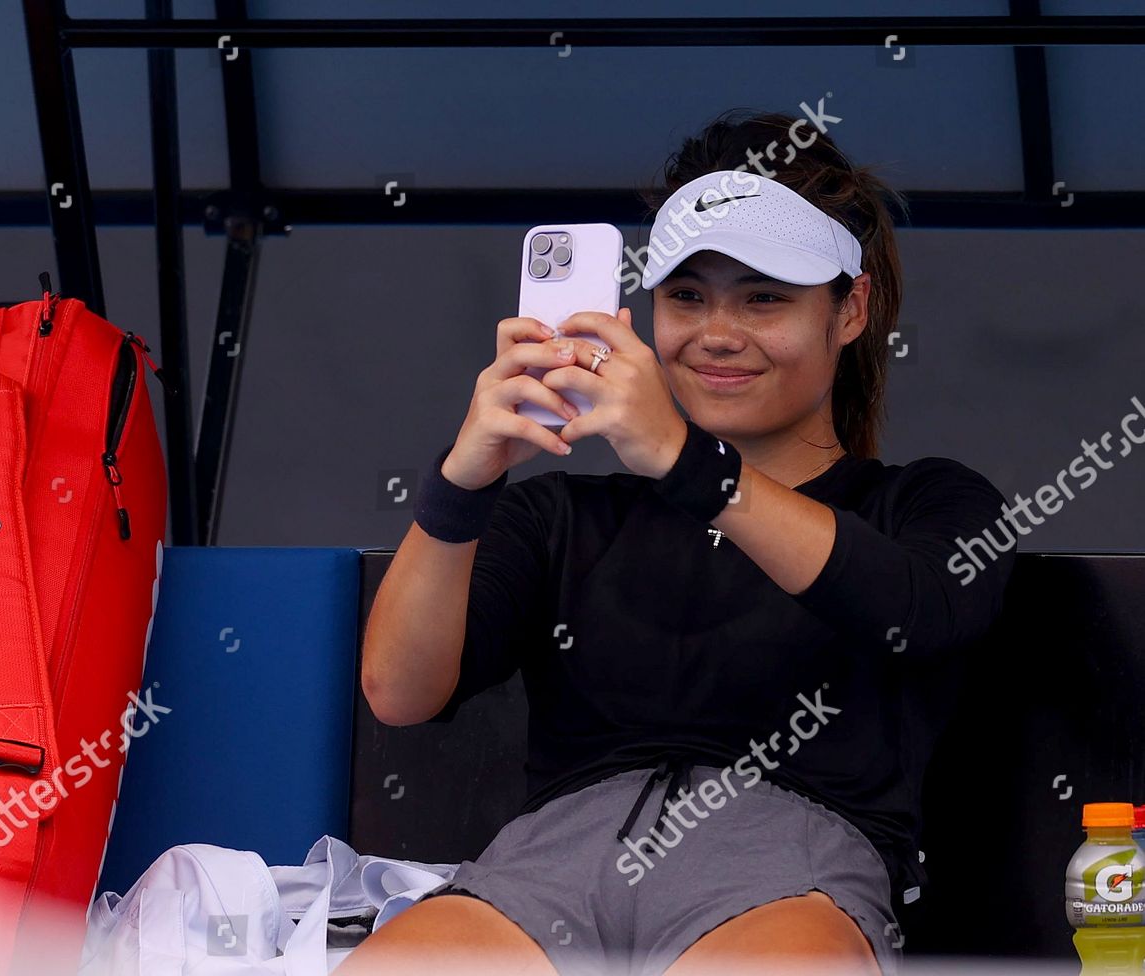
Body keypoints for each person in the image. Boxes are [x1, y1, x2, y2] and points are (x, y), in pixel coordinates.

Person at [346, 110, 1017, 976]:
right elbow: (397, 693)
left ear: (849, 311)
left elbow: (918, 612)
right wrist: (464, 478)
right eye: (687, 295)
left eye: (765, 296)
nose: (718, 333)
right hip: (547, 866)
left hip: (787, 875)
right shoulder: (560, 516)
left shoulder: (926, 501)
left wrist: (692, 466)